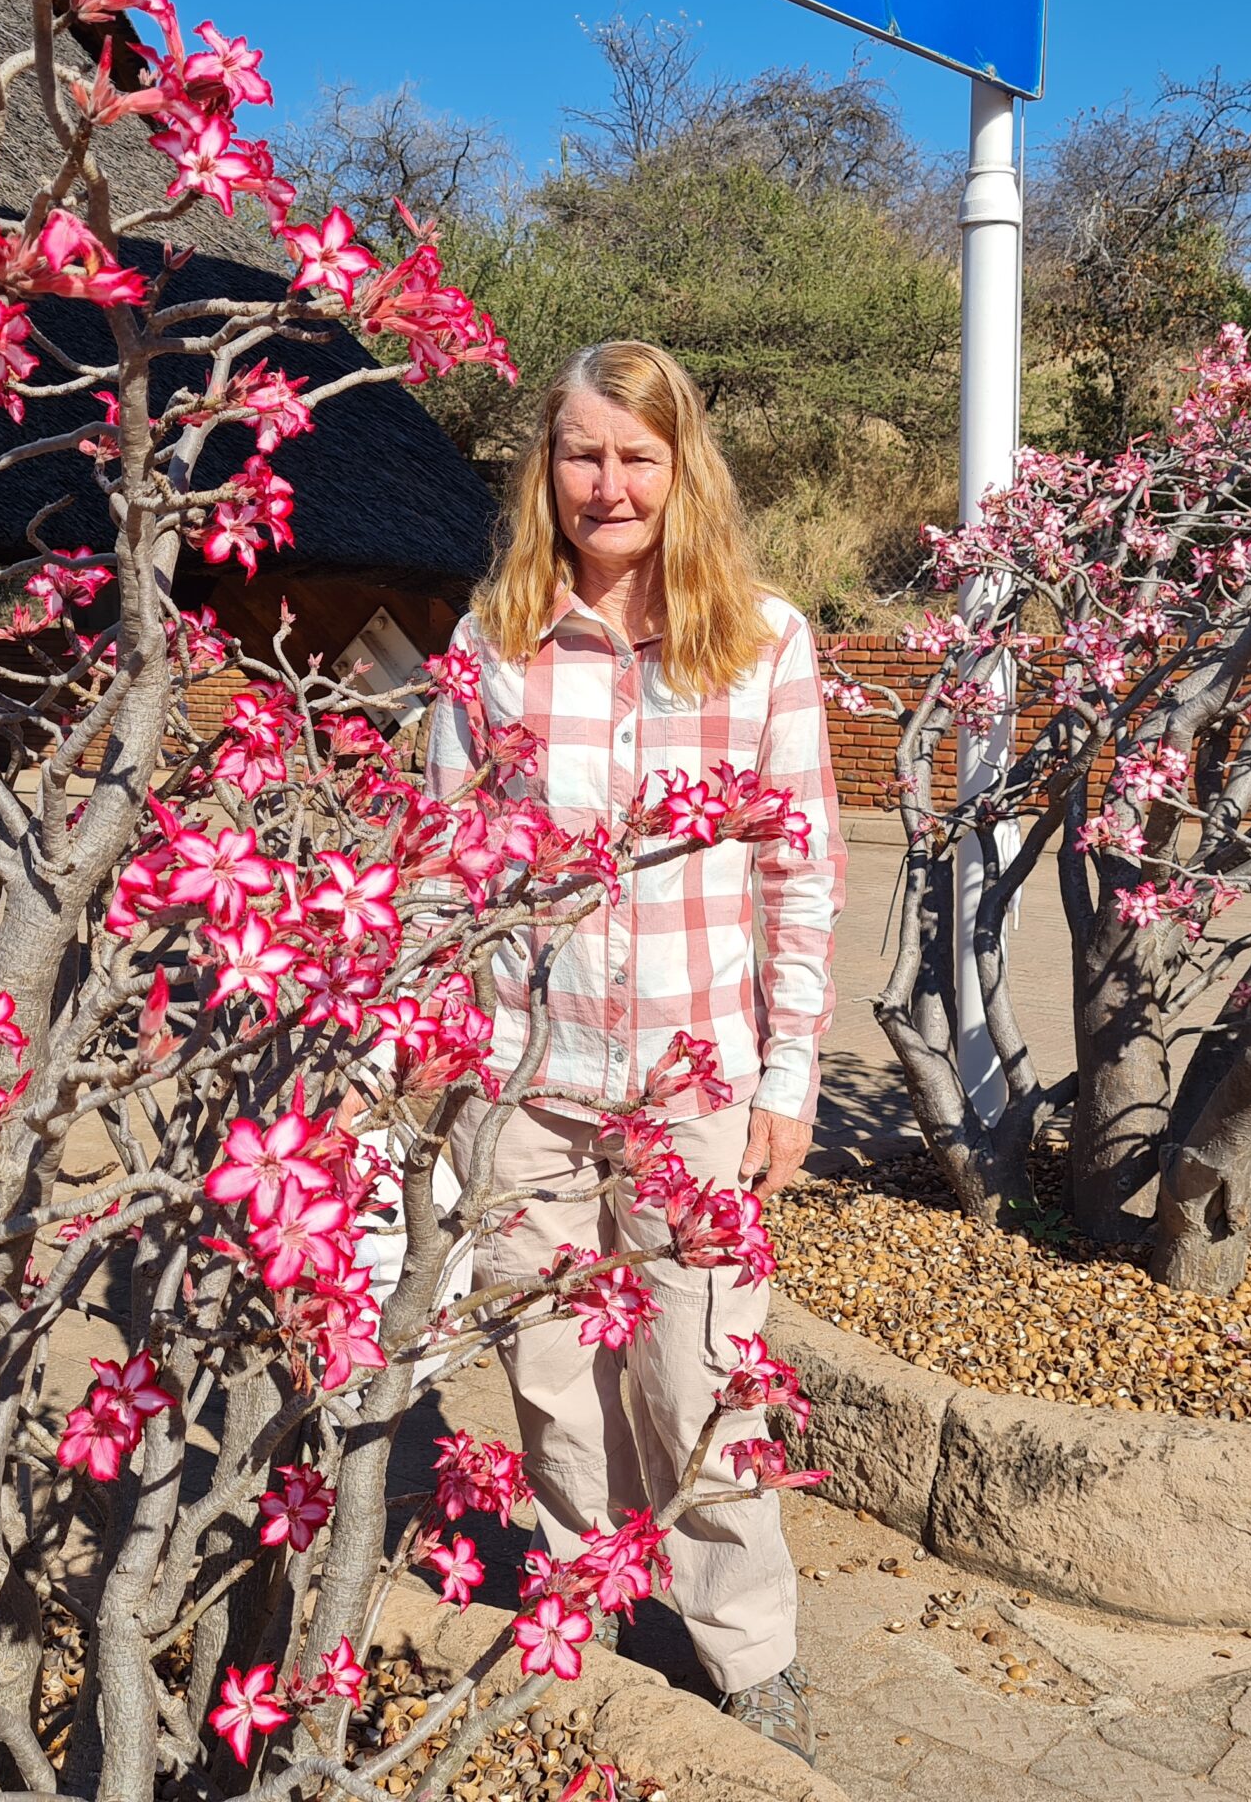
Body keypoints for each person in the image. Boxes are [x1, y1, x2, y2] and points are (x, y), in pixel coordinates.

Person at [426, 339, 846, 1762]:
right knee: (553, 1376)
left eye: (636, 456)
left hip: (695, 1085)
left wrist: (788, 1076)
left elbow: (802, 876)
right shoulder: (492, 644)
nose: (607, 484)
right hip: (525, 1083)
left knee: (700, 1374)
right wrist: (438, 1054)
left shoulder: (762, 641)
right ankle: (588, 1610)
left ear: (682, 469)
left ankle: (750, 1651)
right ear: (546, 469)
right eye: (582, 453)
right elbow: (446, 864)